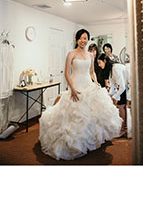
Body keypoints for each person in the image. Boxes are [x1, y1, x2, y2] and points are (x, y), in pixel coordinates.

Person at [38, 29, 122, 160]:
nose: (83, 41)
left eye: (85, 38)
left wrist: (96, 82)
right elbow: (67, 73)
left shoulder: (90, 55)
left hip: (88, 85)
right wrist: (72, 88)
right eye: (81, 38)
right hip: (75, 85)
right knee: (74, 115)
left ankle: (89, 140)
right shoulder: (71, 54)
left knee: (91, 113)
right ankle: (74, 143)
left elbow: (92, 72)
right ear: (77, 39)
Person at [97, 54, 128, 138]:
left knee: (120, 106)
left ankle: (122, 130)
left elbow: (122, 86)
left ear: (105, 61)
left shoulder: (115, 68)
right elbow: (113, 85)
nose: (99, 65)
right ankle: (122, 128)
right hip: (124, 87)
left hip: (127, 86)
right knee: (120, 106)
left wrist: (115, 97)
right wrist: (109, 95)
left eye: (100, 63)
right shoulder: (110, 70)